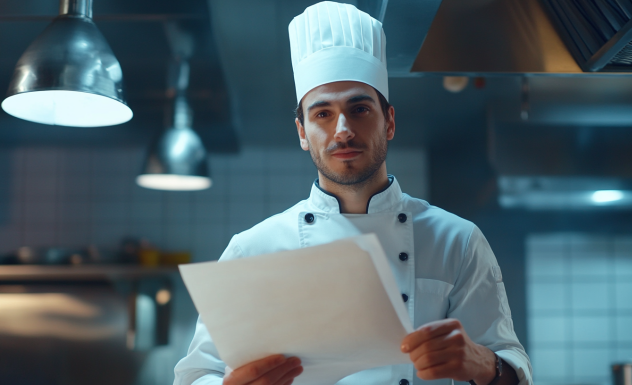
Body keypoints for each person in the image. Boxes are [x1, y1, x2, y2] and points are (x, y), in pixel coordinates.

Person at [173, 2, 533, 385]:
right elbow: (195, 375)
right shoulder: (252, 250)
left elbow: (513, 367)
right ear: (301, 132)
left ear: (389, 122)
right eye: (322, 114)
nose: (342, 130)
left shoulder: (456, 241)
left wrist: (482, 363)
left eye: (359, 108)